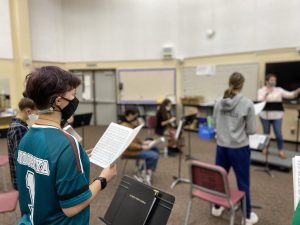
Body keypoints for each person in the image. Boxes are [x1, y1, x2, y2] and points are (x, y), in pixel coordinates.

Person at [16, 66, 117, 225]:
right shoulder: (67, 144)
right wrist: (103, 179)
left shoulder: (26, 137)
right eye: (73, 95)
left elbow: (46, 168)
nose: (75, 100)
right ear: (58, 101)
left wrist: (79, 157)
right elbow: (72, 208)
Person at [212, 72, 258, 225]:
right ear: (242, 85)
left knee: (219, 178)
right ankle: (247, 216)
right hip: (239, 149)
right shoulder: (248, 103)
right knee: (243, 182)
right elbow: (251, 130)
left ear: (229, 83)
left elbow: (213, 125)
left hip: (221, 147)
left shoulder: (218, 101)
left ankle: (217, 207)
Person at [257, 73, 300, 159]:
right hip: (265, 116)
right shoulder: (261, 90)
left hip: (277, 116)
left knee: (278, 133)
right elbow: (260, 101)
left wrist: (297, 91)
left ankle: (281, 150)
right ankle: (265, 148)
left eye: (275, 80)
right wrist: (267, 93)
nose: (274, 81)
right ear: (267, 81)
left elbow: (290, 95)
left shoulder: (279, 90)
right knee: (266, 133)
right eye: (272, 80)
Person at [121, 109, 159, 186]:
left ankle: (147, 172)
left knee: (155, 149)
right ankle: (142, 174)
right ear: (129, 115)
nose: (136, 118)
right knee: (154, 155)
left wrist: (143, 142)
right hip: (129, 151)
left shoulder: (129, 124)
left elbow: (134, 139)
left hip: (134, 148)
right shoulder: (124, 126)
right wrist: (141, 147)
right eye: (135, 116)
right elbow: (127, 144)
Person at [6, 97, 37, 190]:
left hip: (20, 177)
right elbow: (22, 157)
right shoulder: (19, 128)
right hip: (23, 178)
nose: (36, 115)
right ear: (28, 111)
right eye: (35, 112)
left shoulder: (16, 125)